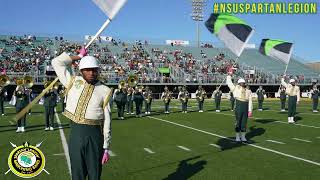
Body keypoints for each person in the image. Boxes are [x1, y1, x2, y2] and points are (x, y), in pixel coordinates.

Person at [52, 47, 112, 180]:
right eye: (87, 70)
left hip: (95, 136)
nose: (91, 73)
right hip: (76, 133)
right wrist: (78, 56)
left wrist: (106, 146)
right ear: (81, 70)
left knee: (94, 174)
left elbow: (107, 120)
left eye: (94, 70)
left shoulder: (105, 90)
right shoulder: (72, 81)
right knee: (77, 173)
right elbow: (56, 62)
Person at [226, 72, 253, 142]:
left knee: (244, 122)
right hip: (239, 105)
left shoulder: (248, 91)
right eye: (241, 83)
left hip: (245, 106)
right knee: (238, 122)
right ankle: (237, 137)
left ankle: (243, 136)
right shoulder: (235, 88)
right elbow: (229, 83)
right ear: (239, 83)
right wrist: (229, 76)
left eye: (243, 83)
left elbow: (250, 101)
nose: (243, 84)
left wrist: (250, 110)